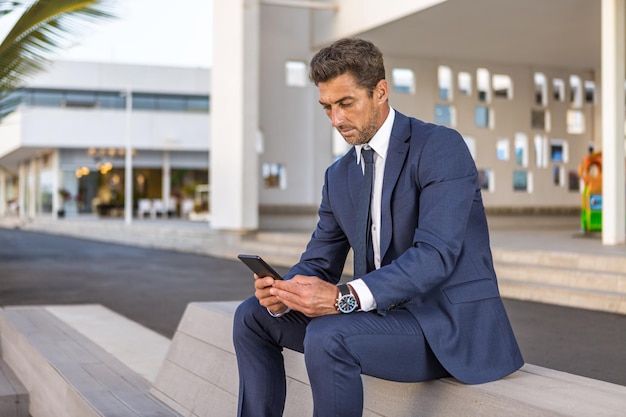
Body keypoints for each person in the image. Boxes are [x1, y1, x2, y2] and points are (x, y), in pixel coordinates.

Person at [233, 37, 523, 417]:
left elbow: (436, 255)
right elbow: (320, 262)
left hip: (445, 328)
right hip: (382, 319)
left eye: (346, 103)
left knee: (328, 335)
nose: (336, 119)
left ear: (381, 91)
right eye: (327, 108)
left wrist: (343, 298)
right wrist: (284, 291)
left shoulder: (440, 148)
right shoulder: (339, 175)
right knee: (252, 316)